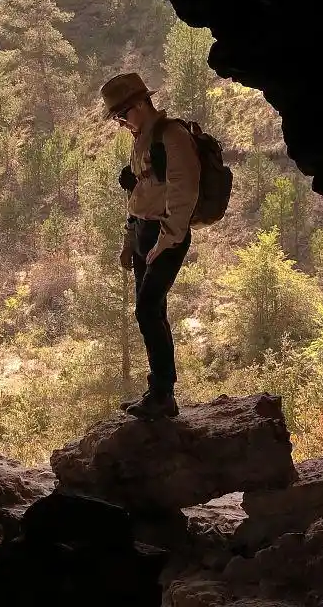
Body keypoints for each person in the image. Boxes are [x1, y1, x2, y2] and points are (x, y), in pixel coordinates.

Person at [99, 72, 201, 420]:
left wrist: (167, 240)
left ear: (141, 105)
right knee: (153, 312)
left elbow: (184, 190)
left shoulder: (171, 135)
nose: (120, 122)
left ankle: (161, 393)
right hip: (145, 232)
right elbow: (140, 194)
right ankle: (160, 393)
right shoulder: (143, 137)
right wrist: (131, 239)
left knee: (147, 310)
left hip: (164, 235)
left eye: (122, 115)